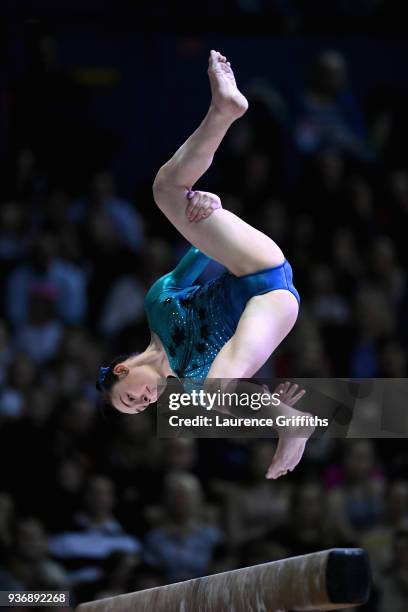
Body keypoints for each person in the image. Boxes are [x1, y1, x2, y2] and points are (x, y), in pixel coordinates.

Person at [96, 50, 313, 480]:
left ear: (122, 370)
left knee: (166, 190)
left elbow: (204, 250)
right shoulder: (193, 384)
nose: (143, 403)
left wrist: (212, 209)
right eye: (140, 408)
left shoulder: (158, 303)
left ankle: (224, 110)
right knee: (214, 392)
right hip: (271, 304)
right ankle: (293, 422)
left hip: (253, 264)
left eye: (130, 398)